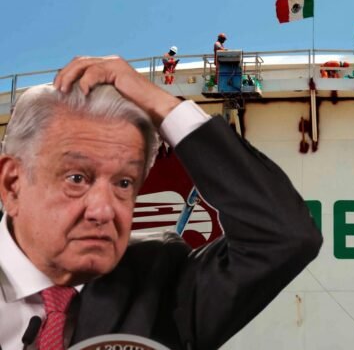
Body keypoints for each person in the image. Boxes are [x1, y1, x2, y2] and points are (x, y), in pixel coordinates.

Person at [0, 56, 322, 349]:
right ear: (12, 184)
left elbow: (284, 234)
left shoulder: (159, 279)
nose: (103, 210)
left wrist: (162, 106)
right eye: (76, 179)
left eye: (124, 183)